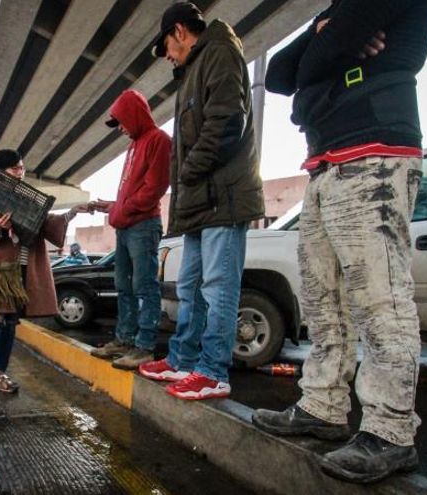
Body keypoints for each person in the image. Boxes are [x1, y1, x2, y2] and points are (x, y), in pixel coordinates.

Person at [250, 0, 427, 484]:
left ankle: (390, 431)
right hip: (326, 160)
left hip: (374, 151)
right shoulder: (336, 10)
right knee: (322, 300)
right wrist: (324, 31)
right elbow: (278, 73)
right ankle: (323, 406)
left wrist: (324, 46)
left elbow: (313, 61)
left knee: (380, 300)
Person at [137, 2, 264, 400]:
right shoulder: (192, 69)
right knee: (190, 285)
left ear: (179, 31)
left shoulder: (219, 52)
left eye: (168, 47)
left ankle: (212, 371)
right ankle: (182, 361)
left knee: (218, 285)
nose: (169, 57)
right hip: (197, 201)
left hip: (220, 198)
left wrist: (187, 171)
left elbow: (226, 123)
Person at [0, 149, 89, 398]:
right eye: (15, 169)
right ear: (1, 172)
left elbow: (46, 224)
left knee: (10, 322)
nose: (20, 173)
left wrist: (71, 213)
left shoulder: (30, 199)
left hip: (23, 267)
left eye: (22, 168)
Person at [89, 89, 170, 370]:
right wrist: (110, 206)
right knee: (123, 286)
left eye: (122, 122)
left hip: (143, 226)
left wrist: (120, 210)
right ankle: (124, 340)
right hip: (126, 226)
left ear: (134, 115)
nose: (121, 129)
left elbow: (154, 190)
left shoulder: (159, 140)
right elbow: (133, 193)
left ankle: (144, 347)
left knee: (144, 286)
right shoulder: (134, 145)